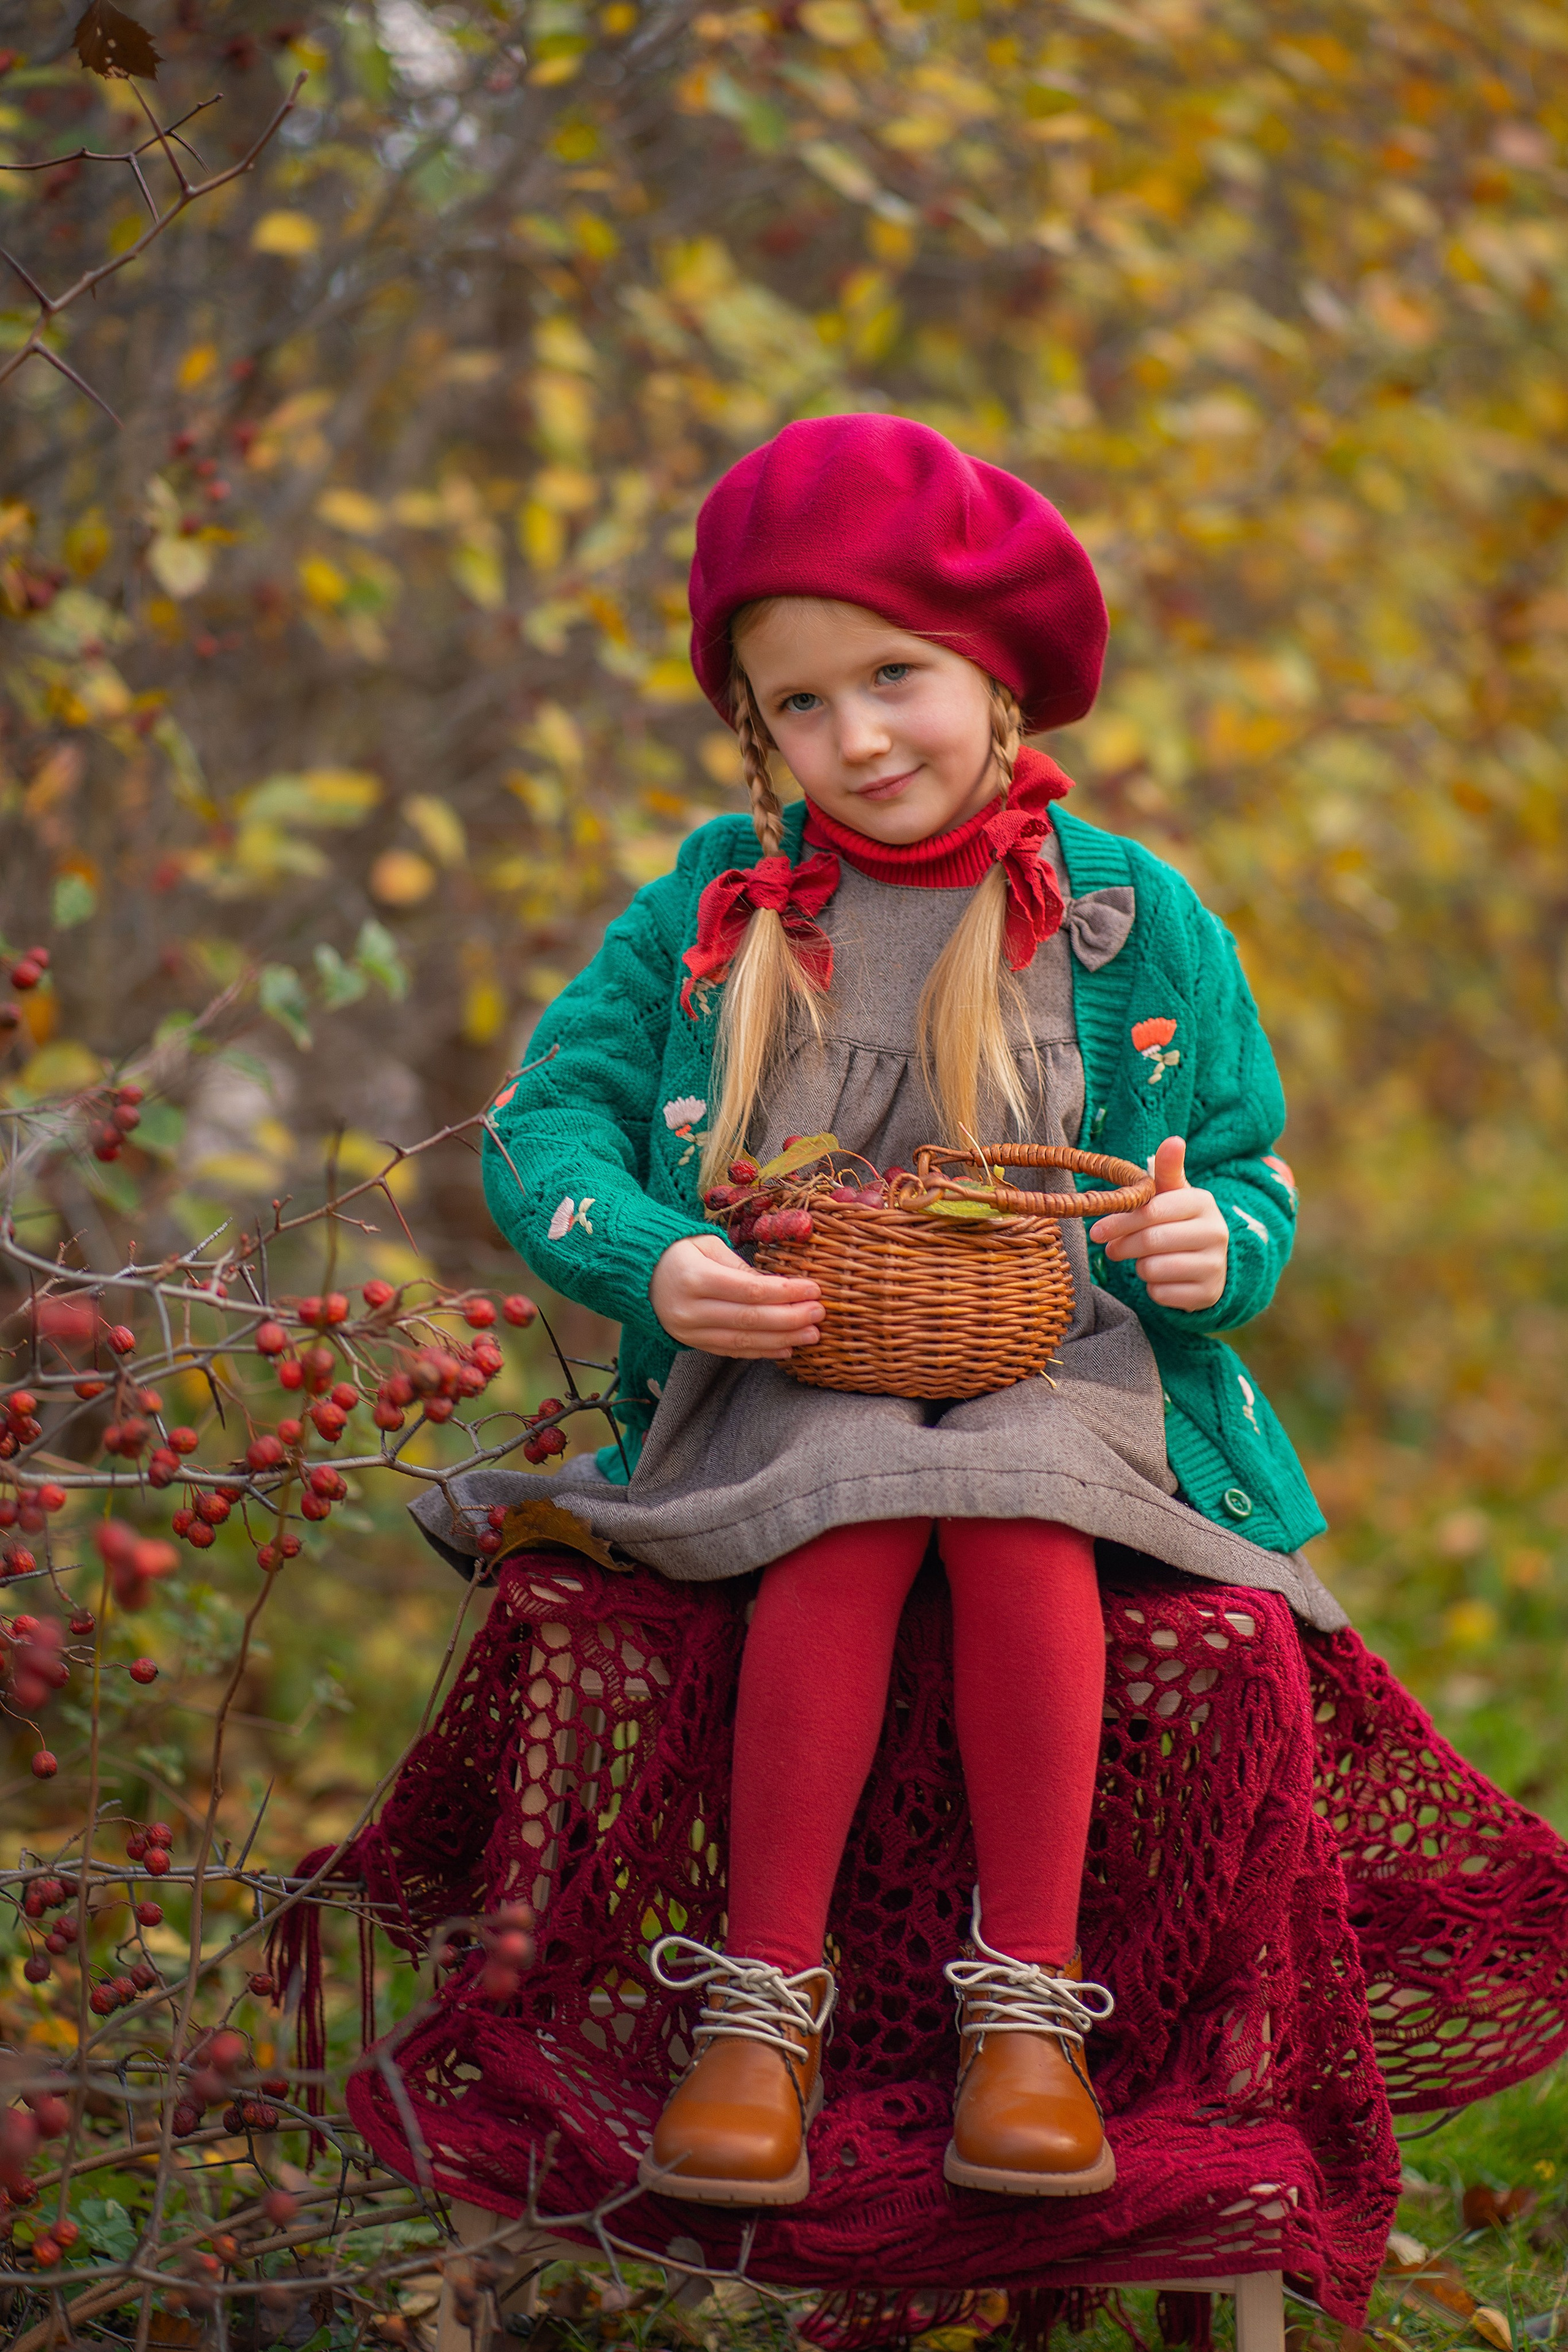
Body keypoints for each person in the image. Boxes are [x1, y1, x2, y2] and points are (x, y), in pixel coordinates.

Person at [412, 413, 1352, 2210]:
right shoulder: (721, 899)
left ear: (997, 672)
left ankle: (1027, 2011)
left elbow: (1240, 1162)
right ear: (755, 733)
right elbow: (554, 1119)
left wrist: (1204, 1248)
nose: (856, 739)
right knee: (854, 1494)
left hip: (1062, 1363)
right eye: (800, 707)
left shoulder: (1130, 921)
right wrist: (654, 1260)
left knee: (1012, 1510)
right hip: (785, 1350)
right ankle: (760, 2008)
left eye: (894, 676)